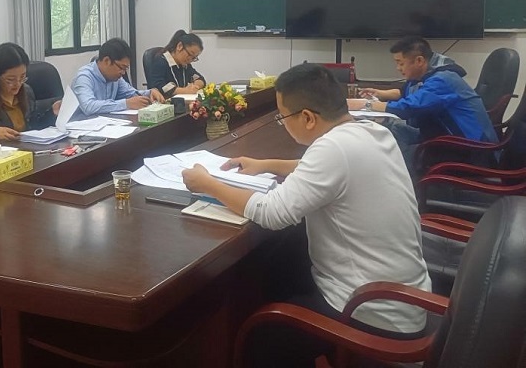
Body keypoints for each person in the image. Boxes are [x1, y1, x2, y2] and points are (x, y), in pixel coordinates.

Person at [182, 63, 431, 367]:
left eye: (282, 117)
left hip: (369, 313)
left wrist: (207, 184)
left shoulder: (332, 148)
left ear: (308, 118)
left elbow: (271, 212)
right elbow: (323, 170)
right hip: (403, 299)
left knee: (259, 337)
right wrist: (265, 164)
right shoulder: (372, 131)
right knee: (282, 259)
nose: (282, 124)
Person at [347, 36, 496, 167]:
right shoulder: (427, 74)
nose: (398, 68)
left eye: (400, 63)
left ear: (419, 61)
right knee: (391, 128)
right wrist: (380, 93)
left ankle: (406, 183)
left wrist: (365, 105)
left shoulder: (443, 80)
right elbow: (406, 93)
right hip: (444, 137)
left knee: (392, 150)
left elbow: (407, 108)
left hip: (470, 151)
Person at [70, 37, 164, 120]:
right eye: (121, 68)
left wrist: (149, 93)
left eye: (125, 69)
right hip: (81, 129)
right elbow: (89, 107)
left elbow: (130, 93)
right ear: (107, 61)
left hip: (107, 125)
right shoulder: (84, 77)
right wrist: (126, 104)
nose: (123, 73)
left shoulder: (115, 78)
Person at [145, 30, 206, 98]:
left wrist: (195, 86)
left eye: (194, 58)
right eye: (190, 54)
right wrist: (184, 91)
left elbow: (199, 77)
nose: (190, 60)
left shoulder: (184, 64)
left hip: (180, 101)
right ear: (179, 46)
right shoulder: (160, 61)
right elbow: (160, 86)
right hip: (164, 101)